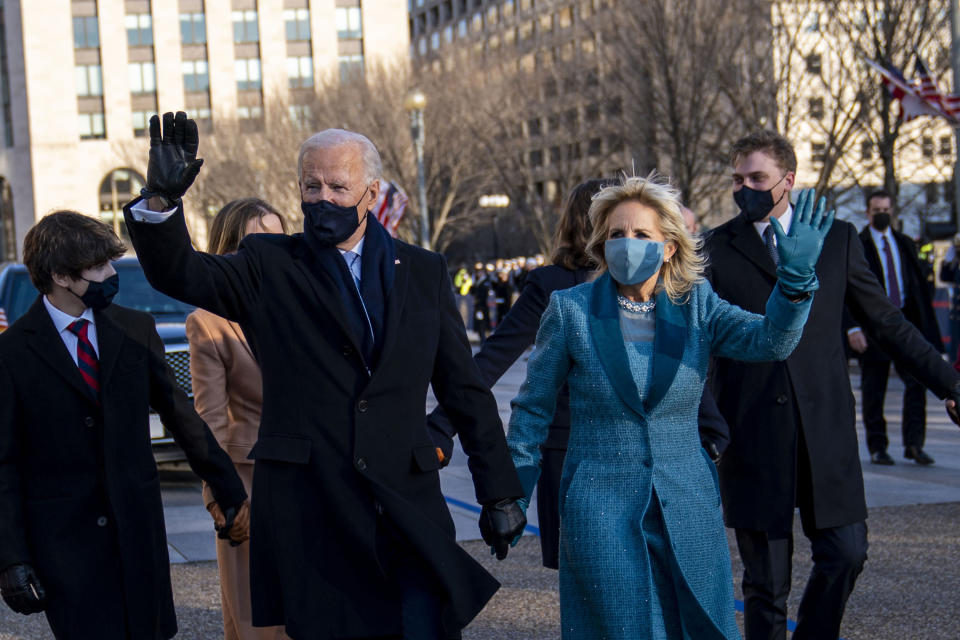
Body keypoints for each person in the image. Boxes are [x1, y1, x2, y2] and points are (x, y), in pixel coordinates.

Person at [123, 112, 525, 640]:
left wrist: (498, 492)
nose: (324, 198)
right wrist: (160, 203)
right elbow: (182, 272)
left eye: (339, 185)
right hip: (312, 512)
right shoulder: (268, 264)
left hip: (405, 505)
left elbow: (464, 390)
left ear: (372, 192)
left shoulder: (423, 271)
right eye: (312, 186)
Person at [507, 174, 832, 639]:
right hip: (601, 510)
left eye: (642, 234)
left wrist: (795, 284)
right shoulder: (570, 310)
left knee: (699, 627)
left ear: (671, 247)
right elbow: (532, 409)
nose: (627, 243)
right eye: (616, 234)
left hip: (688, 504)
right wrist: (512, 491)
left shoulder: (697, 304)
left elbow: (770, 341)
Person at [703, 130, 960, 640]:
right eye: (737, 178)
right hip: (753, 434)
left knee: (847, 554)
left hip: (826, 433)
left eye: (757, 177)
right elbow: (703, 341)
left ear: (788, 181)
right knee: (765, 587)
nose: (744, 188)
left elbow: (887, 322)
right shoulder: (716, 247)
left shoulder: (837, 239)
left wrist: (948, 382)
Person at [0, 211, 249, 640]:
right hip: (66, 547)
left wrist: (229, 491)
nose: (111, 273)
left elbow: (181, 416)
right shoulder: (12, 353)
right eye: (99, 267)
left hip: (138, 534)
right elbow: (2, 463)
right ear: (61, 275)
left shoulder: (136, 329)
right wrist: (11, 559)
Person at [428, 179, 607, 570]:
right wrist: (441, 425)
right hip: (572, 454)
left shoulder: (654, 283)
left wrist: (708, 428)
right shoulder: (553, 283)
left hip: (641, 454)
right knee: (586, 581)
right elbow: (492, 357)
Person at [186, 198, 291, 640]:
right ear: (228, 251)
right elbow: (208, 419)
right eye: (256, 242)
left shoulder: (305, 308)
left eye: (278, 240)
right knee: (257, 622)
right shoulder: (207, 321)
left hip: (314, 479)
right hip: (250, 486)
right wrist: (223, 500)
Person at [846, 189, 944, 466]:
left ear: (893, 212)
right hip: (872, 327)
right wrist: (852, 328)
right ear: (868, 212)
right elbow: (845, 289)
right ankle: (878, 447)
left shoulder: (903, 243)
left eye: (886, 210)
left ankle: (914, 444)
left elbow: (918, 287)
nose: (882, 215)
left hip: (903, 323)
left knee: (917, 384)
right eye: (877, 210)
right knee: (874, 389)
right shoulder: (858, 244)